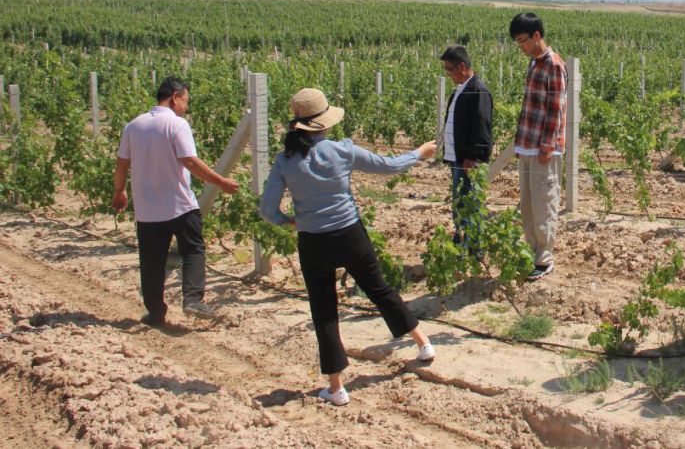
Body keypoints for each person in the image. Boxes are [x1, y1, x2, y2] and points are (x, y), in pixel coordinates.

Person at [259, 87, 437, 407]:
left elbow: (267, 210)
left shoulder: (284, 161)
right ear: (324, 123)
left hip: (313, 243)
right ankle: (423, 344)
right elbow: (390, 165)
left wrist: (291, 222)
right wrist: (419, 153)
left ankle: (337, 388)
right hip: (350, 234)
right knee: (379, 288)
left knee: (324, 311)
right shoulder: (341, 150)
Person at [112, 77, 240, 326]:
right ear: (174, 97)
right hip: (180, 205)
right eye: (185, 101)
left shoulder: (133, 126)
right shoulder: (176, 124)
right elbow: (190, 161)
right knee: (193, 250)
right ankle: (192, 299)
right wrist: (220, 182)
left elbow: (122, 163)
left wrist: (119, 190)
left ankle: (156, 312)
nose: (186, 107)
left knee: (151, 261)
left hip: (147, 209)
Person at [509, 12, 567, 282]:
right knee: (529, 205)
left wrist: (546, 145)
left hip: (543, 148)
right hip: (527, 145)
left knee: (544, 204)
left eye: (522, 40)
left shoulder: (553, 65)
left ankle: (544, 259)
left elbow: (556, 109)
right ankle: (532, 253)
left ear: (537, 36)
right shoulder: (533, 63)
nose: (520, 46)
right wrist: (520, 143)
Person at [439, 45, 493, 248]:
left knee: (469, 204)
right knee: (460, 203)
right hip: (457, 158)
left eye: (449, 69)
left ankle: (473, 247)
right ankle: (462, 240)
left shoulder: (478, 91)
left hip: (468, 161)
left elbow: (482, 129)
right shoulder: (460, 91)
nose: (448, 74)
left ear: (462, 66)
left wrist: (474, 157)